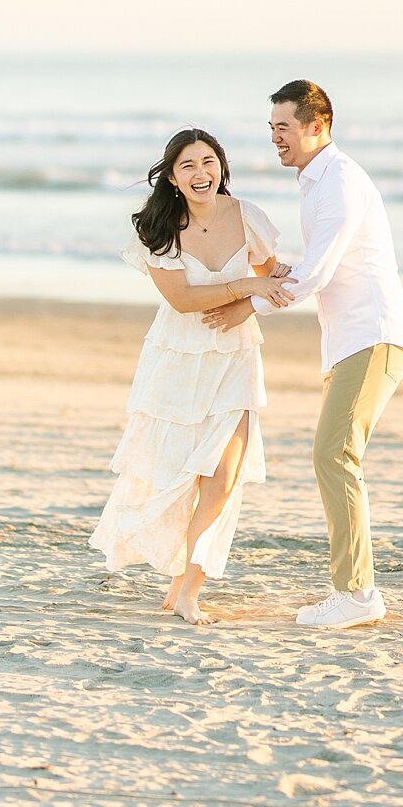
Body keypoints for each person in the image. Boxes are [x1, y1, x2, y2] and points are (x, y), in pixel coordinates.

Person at [204, 80, 403, 630]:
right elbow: (310, 267)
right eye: (271, 129)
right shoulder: (317, 182)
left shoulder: (340, 181)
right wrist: (263, 277)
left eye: (284, 128)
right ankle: (354, 589)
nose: (275, 138)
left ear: (317, 126)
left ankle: (357, 594)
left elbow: (319, 269)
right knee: (334, 454)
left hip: (372, 335)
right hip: (349, 339)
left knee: (334, 454)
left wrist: (250, 304)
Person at [90, 127, 292, 625]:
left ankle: (189, 587)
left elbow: (275, 276)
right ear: (174, 178)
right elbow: (181, 300)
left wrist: (249, 302)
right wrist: (243, 284)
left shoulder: (250, 217)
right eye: (188, 166)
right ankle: (178, 571)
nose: (201, 174)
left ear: (221, 167)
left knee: (224, 475)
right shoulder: (158, 227)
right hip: (177, 359)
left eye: (208, 163)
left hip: (234, 358)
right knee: (177, 473)